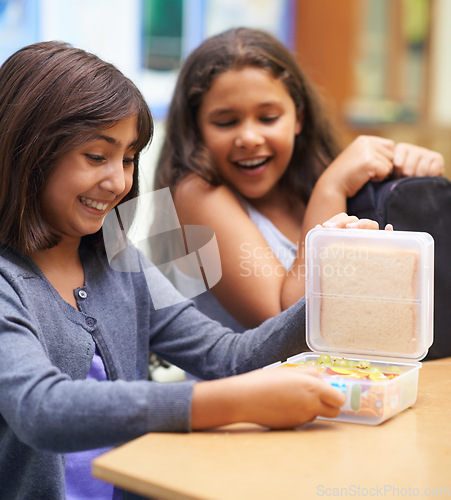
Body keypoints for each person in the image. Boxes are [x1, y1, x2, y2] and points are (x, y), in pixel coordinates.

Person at [0, 41, 387, 500]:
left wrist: (335, 292)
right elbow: (42, 410)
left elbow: (229, 357)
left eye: (127, 159)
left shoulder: (121, 262)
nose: (119, 183)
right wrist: (237, 401)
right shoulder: (8, 280)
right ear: (30, 152)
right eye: (96, 157)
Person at [154, 27, 444, 331]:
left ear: (299, 118)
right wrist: (331, 188)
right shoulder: (196, 193)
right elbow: (284, 323)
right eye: (226, 122)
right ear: (196, 129)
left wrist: (416, 175)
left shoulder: (306, 183)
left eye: (268, 118)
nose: (250, 138)